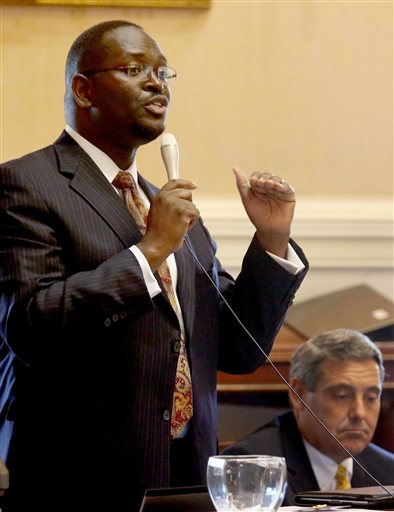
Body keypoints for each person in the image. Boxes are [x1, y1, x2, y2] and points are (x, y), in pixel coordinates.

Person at [0, 20, 308, 512]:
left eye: (164, 72)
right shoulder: (24, 184)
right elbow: (31, 325)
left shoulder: (157, 199)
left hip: (187, 474)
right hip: (76, 481)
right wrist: (151, 251)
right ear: (83, 88)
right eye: (134, 68)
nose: (155, 83)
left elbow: (238, 348)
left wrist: (272, 240)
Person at [223, 328, 394, 505]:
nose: (359, 413)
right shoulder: (254, 469)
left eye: (371, 398)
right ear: (299, 394)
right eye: (341, 395)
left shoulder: (388, 471)